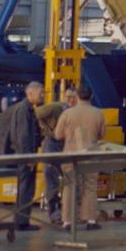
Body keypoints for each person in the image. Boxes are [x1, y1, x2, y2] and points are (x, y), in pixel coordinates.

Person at [0, 81, 44, 229]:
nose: (42, 95)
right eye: (40, 93)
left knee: (26, 188)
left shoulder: (28, 109)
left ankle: (22, 221)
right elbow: (22, 136)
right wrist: (28, 157)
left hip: (26, 155)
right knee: (25, 188)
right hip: (25, 157)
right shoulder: (23, 110)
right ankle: (22, 223)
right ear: (31, 93)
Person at [52, 84, 107, 230]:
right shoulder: (98, 113)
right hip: (91, 155)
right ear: (91, 96)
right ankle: (90, 220)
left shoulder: (67, 113)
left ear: (76, 96)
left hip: (71, 155)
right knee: (90, 187)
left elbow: (57, 135)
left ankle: (67, 221)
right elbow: (102, 134)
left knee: (69, 186)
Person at [35, 87, 77, 225]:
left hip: (68, 144)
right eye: (68, 97)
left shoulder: (77, 111)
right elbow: (36, 114)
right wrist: (46, 129)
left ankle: (70, 214)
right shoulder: (55, 107)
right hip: (52, 144)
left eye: (74, 97)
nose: (71, 100)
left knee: (71, 178)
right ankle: (55, 215)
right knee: (51, 179)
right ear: (64, 97)